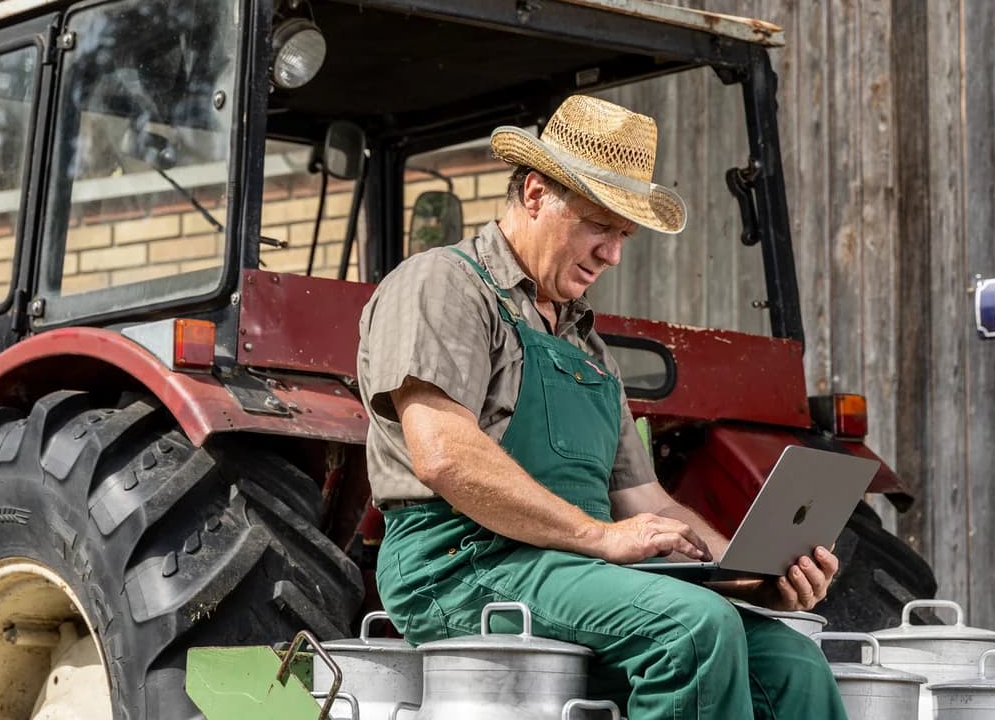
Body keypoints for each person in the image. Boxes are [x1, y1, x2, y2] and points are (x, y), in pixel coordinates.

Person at [357, 95, 848, 719]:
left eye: (623, 235)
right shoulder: (443, 285)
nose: (612, 253)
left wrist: (744, 571)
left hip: (569, 565)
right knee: (690, 629)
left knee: (792, 664)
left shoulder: (587, 346)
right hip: (458, 561)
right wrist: (600, 538)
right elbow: (444, 455)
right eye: (598, 225)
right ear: (535, 193)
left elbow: (645, 502)